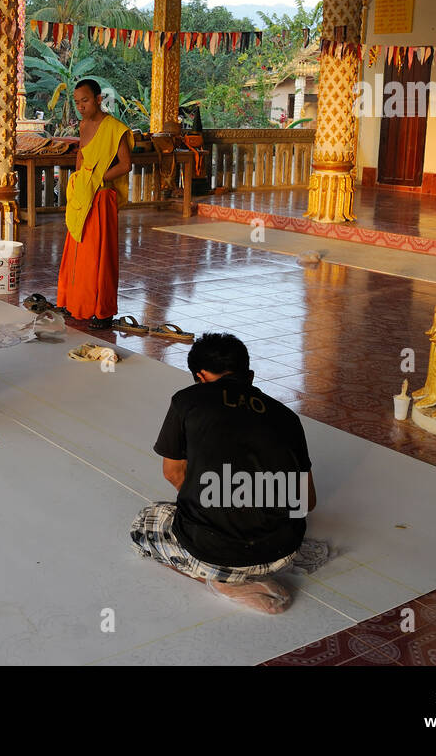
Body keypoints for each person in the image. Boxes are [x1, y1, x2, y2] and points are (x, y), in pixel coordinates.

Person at [130, 333, 316, 614]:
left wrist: (209, 502)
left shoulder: (187, 401)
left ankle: (225, 580)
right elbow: (306, 501)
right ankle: (248, 573)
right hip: (282, 551)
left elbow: (173, 472)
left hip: (215, 552)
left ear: (200, 376)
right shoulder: (287, 417)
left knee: (144, 524)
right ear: (249, 375)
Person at [57, 79, 132, 329]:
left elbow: (125, 165)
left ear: (99, 99)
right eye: (77, 102)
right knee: (78, 250)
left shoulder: (114, 127)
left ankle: (102, 311)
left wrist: (96, 180)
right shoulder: (84, 124)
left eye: (85, 100)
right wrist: (80, 183)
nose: (80, 106)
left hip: (101, 196)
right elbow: (81, 155)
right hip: (83, 194)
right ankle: (75, 303)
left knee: (100, 255)